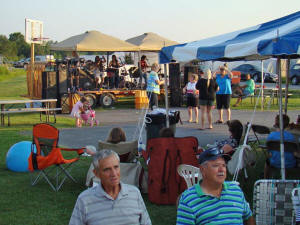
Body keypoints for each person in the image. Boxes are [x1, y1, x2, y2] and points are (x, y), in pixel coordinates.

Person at [69, 149, 152, 225]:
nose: (114, 174)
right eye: (107, 169)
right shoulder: (84, 200)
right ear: (96, 173)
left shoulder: (134, 193)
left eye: (116, 167)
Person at [176, 148, 255, 225]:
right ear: (203, 170)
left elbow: (248, 217)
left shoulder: (235, 190)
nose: (221, 170)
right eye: (216, 165)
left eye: (224, 165)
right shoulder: (189, 199)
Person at [264, 114, 297, 178]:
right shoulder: (291, 137)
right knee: (287, 155)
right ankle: (285, 177)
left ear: (275, 123)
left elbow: (269, 152)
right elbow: (295, 153)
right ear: (288, 124)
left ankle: (266, 179)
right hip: (290, 163)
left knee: (267, 162)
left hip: (274, 162)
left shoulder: (271, 136)